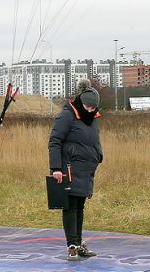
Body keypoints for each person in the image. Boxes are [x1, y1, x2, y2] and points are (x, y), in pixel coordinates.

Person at [48, 79, 103, 260]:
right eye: (87, 106)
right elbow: (55, 141)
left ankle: (78, 244)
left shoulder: (93, 118)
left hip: (86, 170)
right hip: (69, 169)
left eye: (93, 108)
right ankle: (72, 245)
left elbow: (94, 140)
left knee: (80, 206)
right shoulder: (67, 115)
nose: (90, 110)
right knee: (70, 207)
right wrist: (56, 168)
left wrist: (98, 155)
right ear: (81, 102)